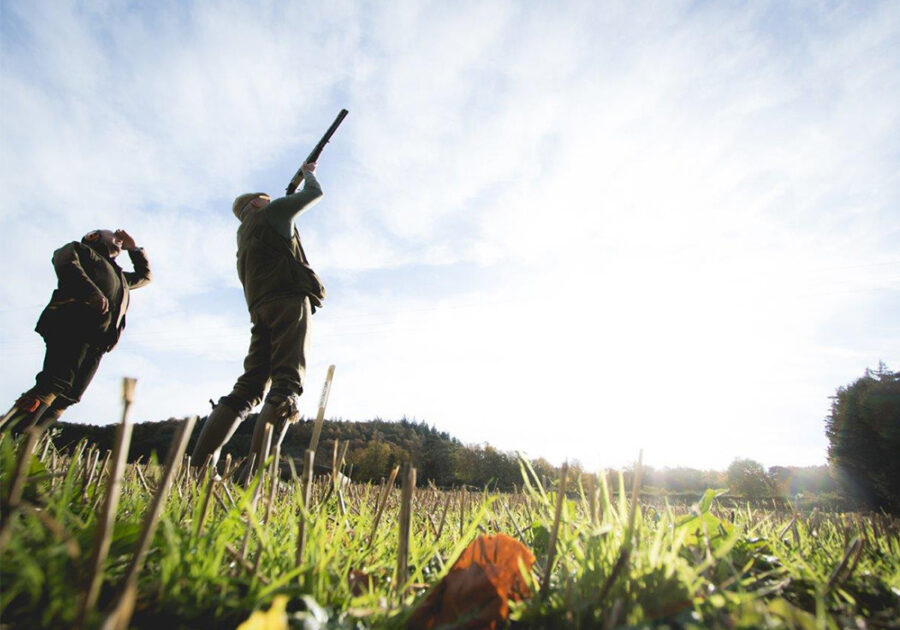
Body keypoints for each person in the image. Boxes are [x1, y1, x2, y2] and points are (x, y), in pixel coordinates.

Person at [191, 162, 326, 470]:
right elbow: (315, 194)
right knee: (286, 384)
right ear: (254, 204)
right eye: (265, 198)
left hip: (261, 311)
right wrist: (308, 173)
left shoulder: (244, 237)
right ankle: (253, 475)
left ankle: (197, 467)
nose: (272, 200)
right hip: (289, 304)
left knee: (249, 387)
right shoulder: (272, 214)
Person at [0, 229, 152, 433]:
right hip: (72, 323)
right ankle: (6, 434)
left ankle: (24, 444)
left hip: (99, 340)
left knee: (70, 396)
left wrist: (134, 248)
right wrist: (91, 292)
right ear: (93, 236)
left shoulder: (120, 277)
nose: (119, 239)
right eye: (113, 235)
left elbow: (145, 277)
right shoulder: (81, 250)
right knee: (54, 382)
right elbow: (64, 262)